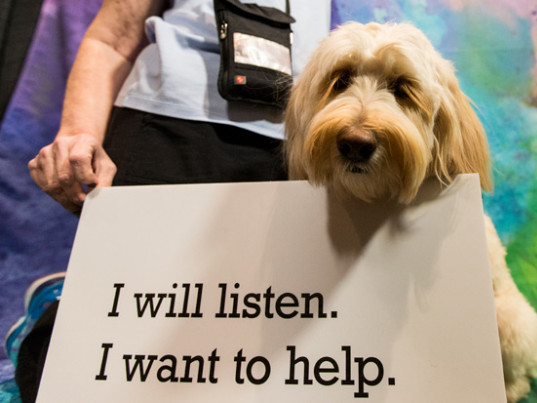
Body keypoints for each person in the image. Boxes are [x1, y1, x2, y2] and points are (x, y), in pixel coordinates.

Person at [17, 0, 331, 400]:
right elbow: (111, 37)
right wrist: (79, 132)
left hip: (293, 146)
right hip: (169, 122)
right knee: (115, 328)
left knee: (264, 336)